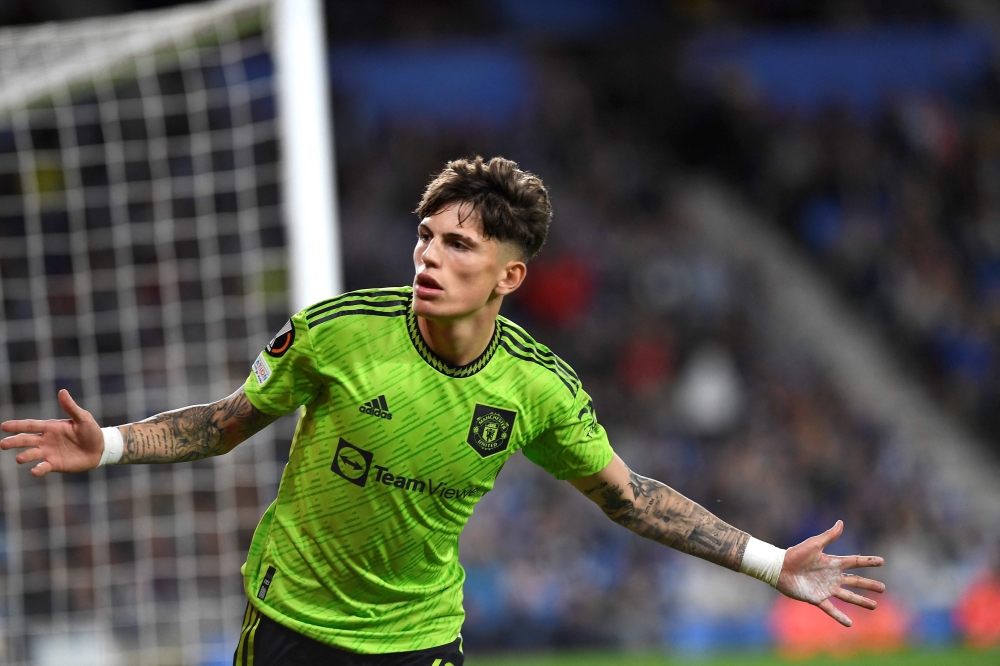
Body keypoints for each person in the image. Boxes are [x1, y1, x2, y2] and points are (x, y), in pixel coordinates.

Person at [1, 156, 885, 665]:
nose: (429, 255)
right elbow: (226, 424)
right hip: (292, 625)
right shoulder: (339, 332)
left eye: (458, 244)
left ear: (509, 276)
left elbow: (629, 495)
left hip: (420, 639)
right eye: (425, 235)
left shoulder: (538, 388)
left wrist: (774, 564)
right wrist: (113, 442)